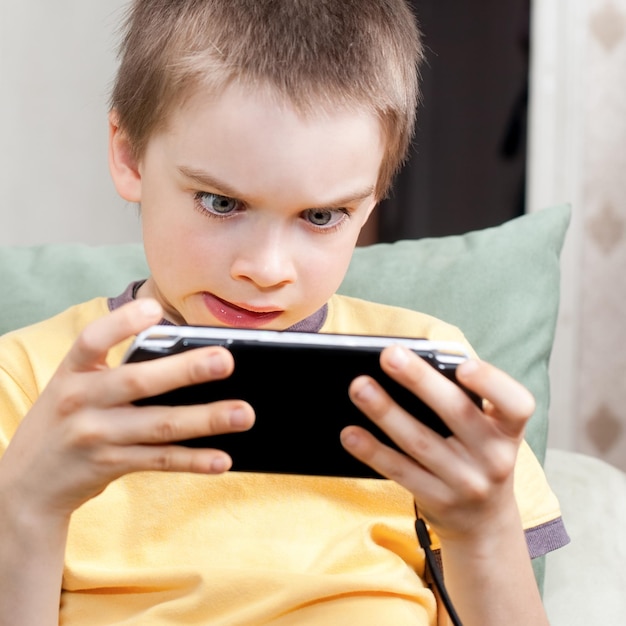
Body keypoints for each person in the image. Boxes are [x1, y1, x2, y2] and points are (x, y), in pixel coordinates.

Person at [0, 1, 569, 624]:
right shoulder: (26, 381)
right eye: (221, 202)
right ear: (130, 155)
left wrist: (482, 528)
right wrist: (26, 506)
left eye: (322, 217)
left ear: (374, 197)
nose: (267, 269)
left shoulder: (424, 373)